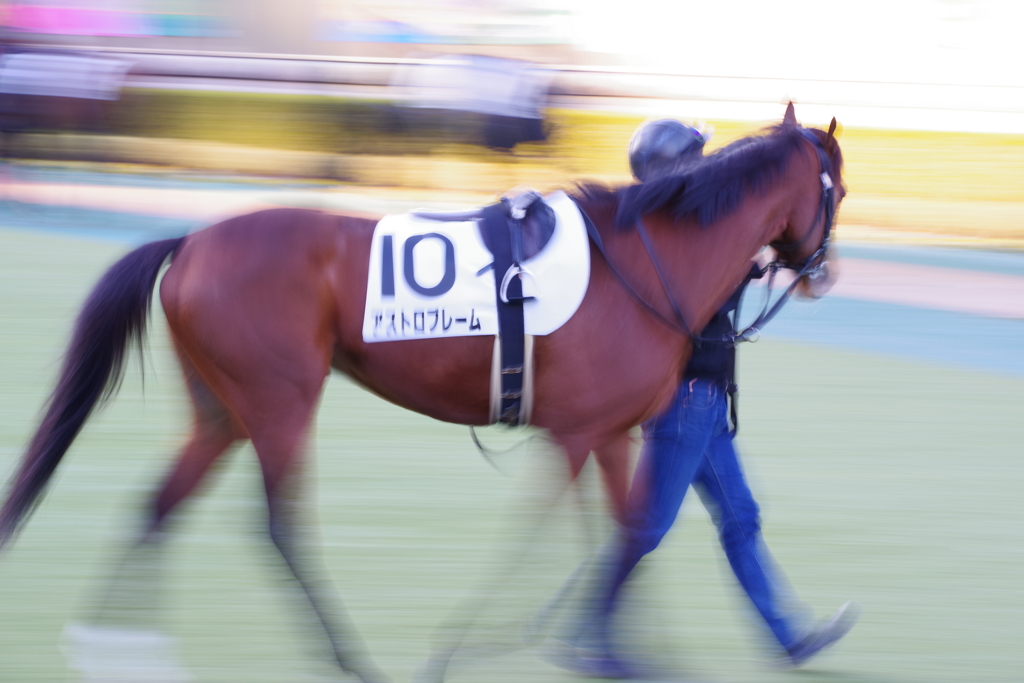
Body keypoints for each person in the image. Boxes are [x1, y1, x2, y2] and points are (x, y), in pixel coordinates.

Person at [554, 119, 859, 678]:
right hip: (685, 402)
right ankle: (583, 630)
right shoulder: (679, 240)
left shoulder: (682, 229)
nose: (709, 165)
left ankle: (788, 637)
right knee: (647, 526)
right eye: (698, 157)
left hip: (707, 404)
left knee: (740, 517)